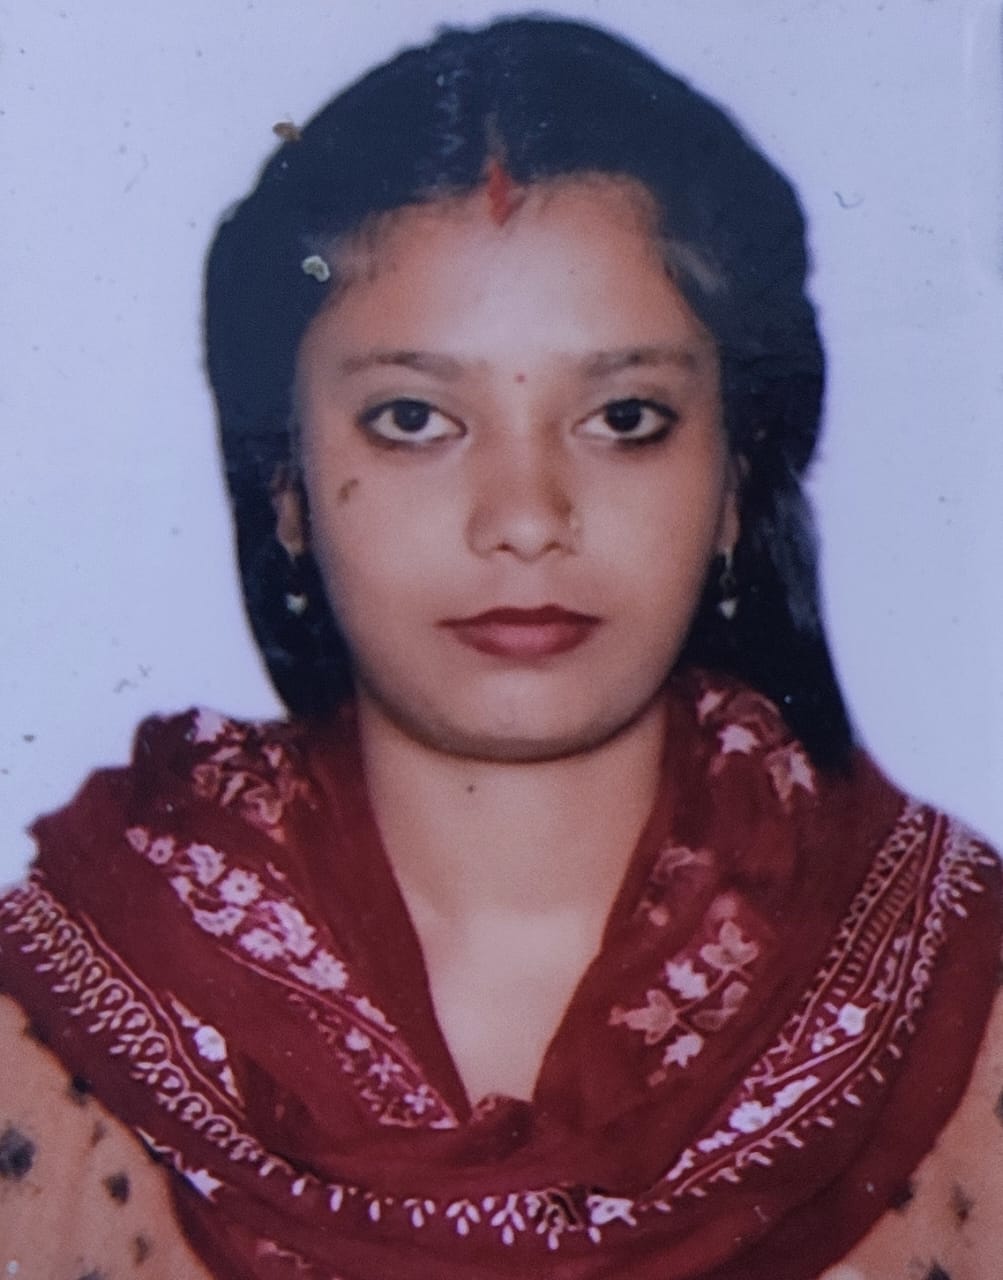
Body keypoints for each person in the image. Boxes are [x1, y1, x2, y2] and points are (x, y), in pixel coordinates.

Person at [0, 15, 1000, 1279]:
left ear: (738, 474)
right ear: (285, 486)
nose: (525, 517)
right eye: (414, 418)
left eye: (623, 416)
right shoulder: (67, 1028)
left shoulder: (955, 1004)